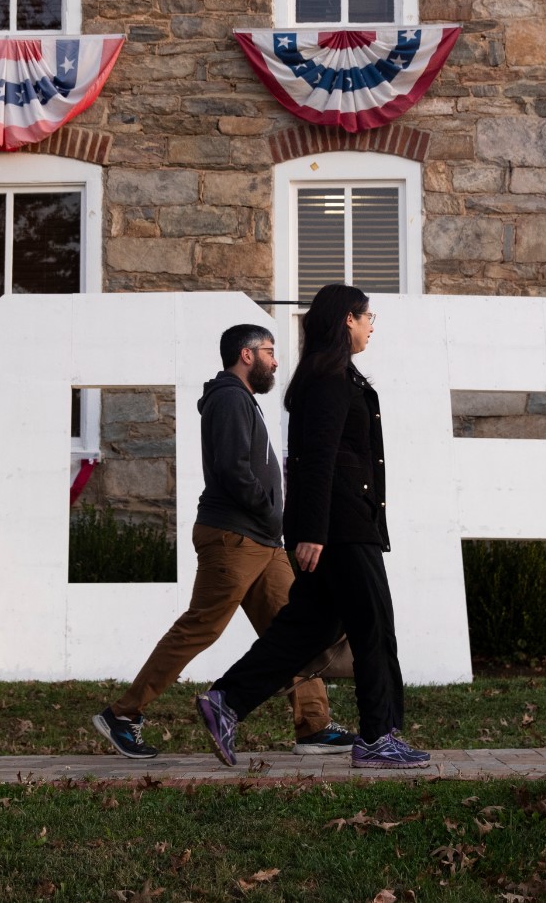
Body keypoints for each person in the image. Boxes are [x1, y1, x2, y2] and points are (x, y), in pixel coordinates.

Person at [91, 324, 354, 759]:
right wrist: (274, 512)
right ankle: (123, 714)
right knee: (200, 627)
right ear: (246, 355)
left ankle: (314, 725)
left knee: (296, 628)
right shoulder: (230, 397)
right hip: (236, 537)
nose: (275, 360)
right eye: (269, 351)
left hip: (262, 540)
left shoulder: (240, 399)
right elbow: (234, 472)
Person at [195, 284, 429, 769]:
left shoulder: (332, 374)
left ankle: (227, 702)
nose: (371, 325)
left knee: (309, 628)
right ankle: (378, 736)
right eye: (367, 317)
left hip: (338, 523)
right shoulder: (328, 378)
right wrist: (314, 532)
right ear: (347, 319)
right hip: (339, 528)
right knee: (374, 627)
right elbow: (315, 461)